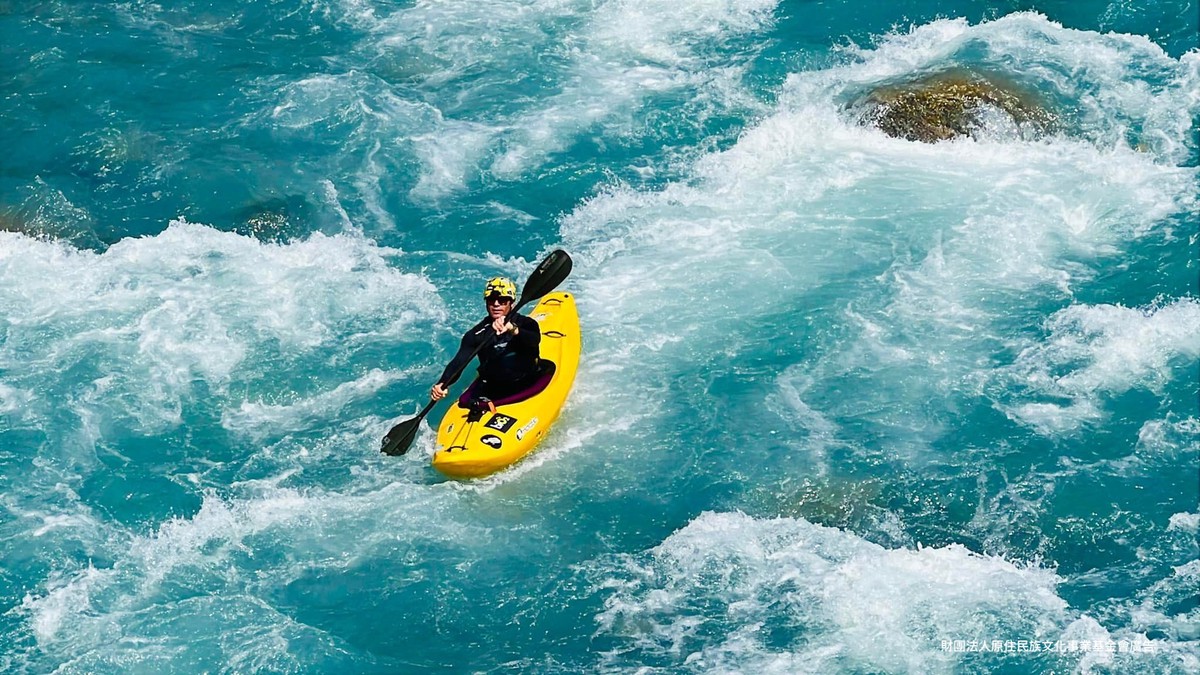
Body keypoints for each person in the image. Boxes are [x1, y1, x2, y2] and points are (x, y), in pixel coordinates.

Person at [429, 276, 542, 405]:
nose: (496, 304)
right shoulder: (475, 334)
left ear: (512, 303)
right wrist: (442, 383)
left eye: (503, 300)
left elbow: (534, 340)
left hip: (528, 381)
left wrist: (513, 329)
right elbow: (459, 363)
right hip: (494, 389)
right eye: (491, 300)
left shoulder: (526, 323)